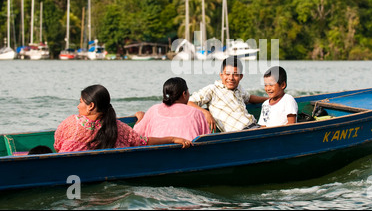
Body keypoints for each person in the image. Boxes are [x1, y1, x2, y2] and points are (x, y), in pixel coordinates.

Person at [54, 84, 192, 153]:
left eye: (80, 102)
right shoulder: (117, 127)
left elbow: (57, 146)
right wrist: (172, 139)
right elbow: (143, 142)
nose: (78, 106)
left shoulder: (71, 122)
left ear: (90, 106)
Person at [188, 56, 268, 132]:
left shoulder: (239, 89)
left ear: (241, 76)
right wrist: (206, 113)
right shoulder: (213, 89)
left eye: (236, 74)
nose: (231, 78)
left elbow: (249, 98)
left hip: (254, 126)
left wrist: (268, 99)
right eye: (227, 74)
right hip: (238, 132)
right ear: (221, 75)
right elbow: (189, 102)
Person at [133, 77, 210, 141]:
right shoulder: (196, 113)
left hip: (158, 155)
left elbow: (135, 134)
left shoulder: (153, 110)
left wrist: (140, 118)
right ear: (184, 94)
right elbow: (206, 140)